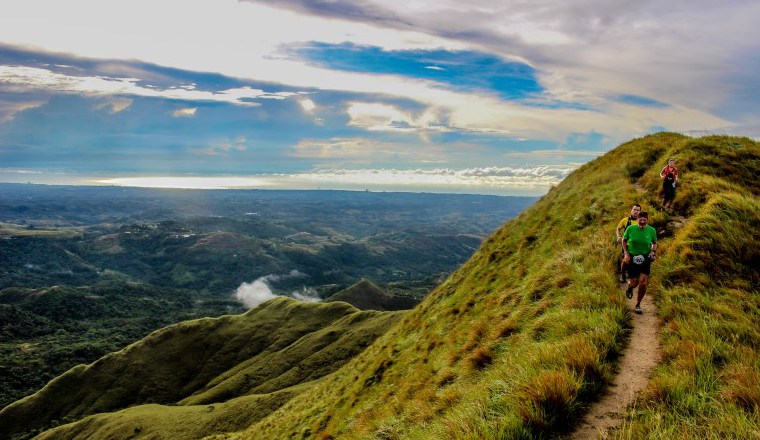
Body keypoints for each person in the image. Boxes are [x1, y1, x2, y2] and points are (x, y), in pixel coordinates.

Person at [622, 211, 657, 314]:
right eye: (640, 220)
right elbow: (624, 241)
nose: (642, 222)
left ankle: (638, 304)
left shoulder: (651, 230)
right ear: (637, 219)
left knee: (643, 283)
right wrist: (626, 253)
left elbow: (654, 243)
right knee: (634, 283)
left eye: (644, 220)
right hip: (632, 257)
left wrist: (653, 252)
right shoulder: (630, 229)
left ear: (647, 220)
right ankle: (630, 287)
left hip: (645, 258)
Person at [615, 204, 641, 283]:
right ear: (631, 210)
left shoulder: (641, 221)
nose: (635, 211)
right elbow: (618, 228)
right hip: (626, 244)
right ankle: (623, 276)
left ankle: (634, 277)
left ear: (640, 212)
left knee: (637, 260)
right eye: (634, 209)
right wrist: (618, 236)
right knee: (626, 260)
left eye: (637, 210)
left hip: (637, 245)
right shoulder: (625, 220)